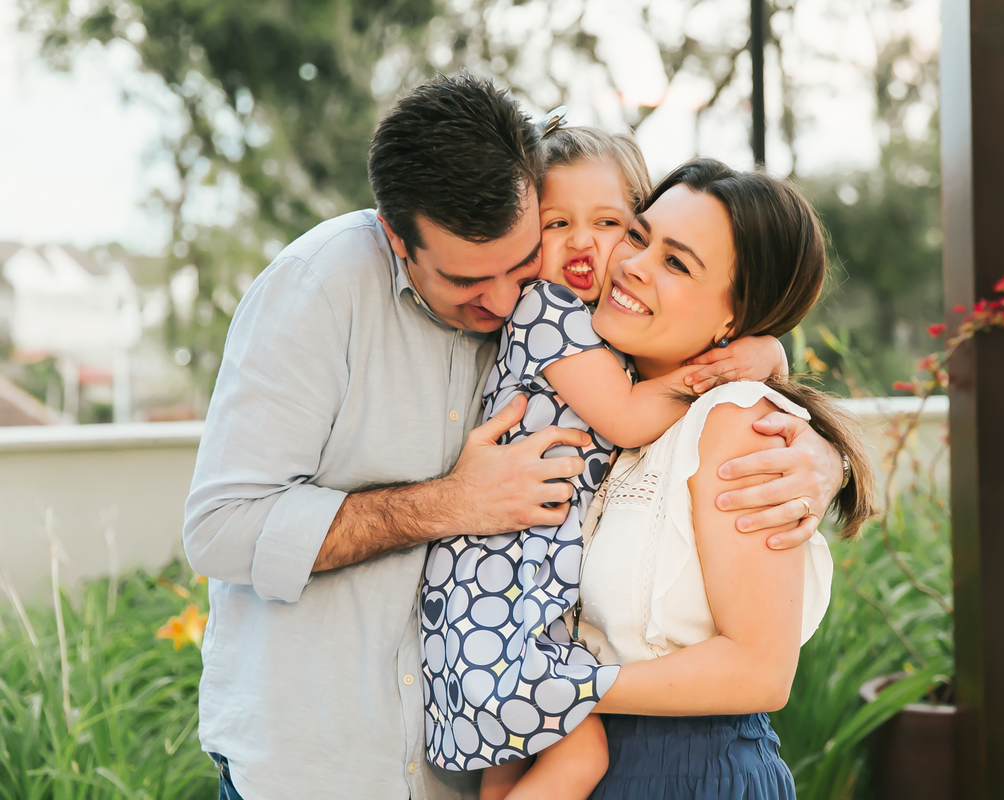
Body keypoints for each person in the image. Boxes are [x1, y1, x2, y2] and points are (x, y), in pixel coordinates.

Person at [183, 74, 843, 800]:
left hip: (484, 763)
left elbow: (705, 356)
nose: (502, 302)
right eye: (467, 279)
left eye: (520, 262)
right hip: (325, 768)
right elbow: (219, 528)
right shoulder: (323, 288)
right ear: (397, 236)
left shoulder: (600, 329)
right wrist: (448, 504)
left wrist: (800, 415)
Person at [419, 125, 790, 799]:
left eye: (612, 224)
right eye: (557, 224)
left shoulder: (720, 413)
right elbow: (624, 414)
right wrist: (724, 368)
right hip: (509, 588)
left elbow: (763, 670)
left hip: (679, 755)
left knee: (521, 772)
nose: (593, 247)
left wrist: (763, 362)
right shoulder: (555, 317)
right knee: (558, 759)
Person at [502, 159, 878, 800]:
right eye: (639, 236)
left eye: (676, 263)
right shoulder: (604, 401)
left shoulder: (735, 423)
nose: (632, 265)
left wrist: (551, 690)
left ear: (734, 318)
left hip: (690, 772)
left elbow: (760, 671)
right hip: (586, 764)